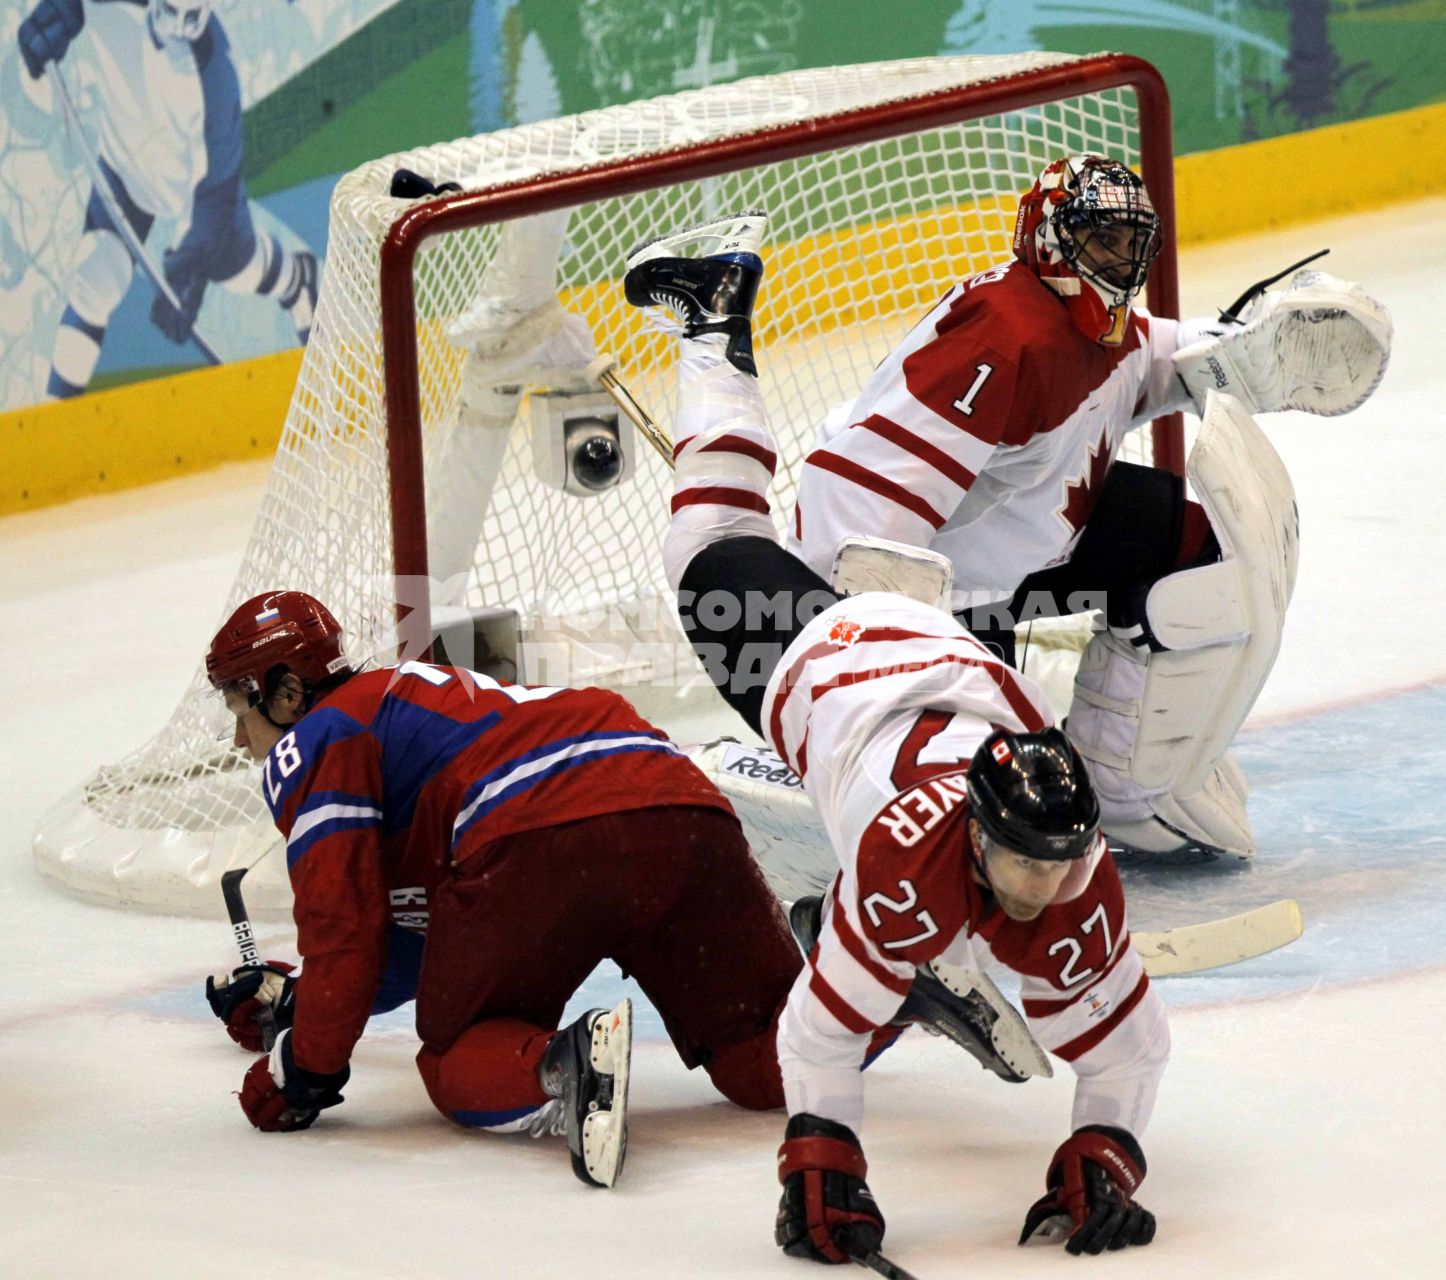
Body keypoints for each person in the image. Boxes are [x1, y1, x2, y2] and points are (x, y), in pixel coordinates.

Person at [623, 212, 1171, 1262]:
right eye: (1020, 860)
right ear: (970, 832)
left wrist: (1108, 1145)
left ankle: (712, 326)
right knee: (712, 542)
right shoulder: (902, 859)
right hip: (833, 660)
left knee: (730, 543)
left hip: (952, 646)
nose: (1039, 882)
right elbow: (817, 1029)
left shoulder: (1071, 869)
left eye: (1054, 863)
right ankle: (709, 318)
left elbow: (1133, 1046)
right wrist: (820, 1155)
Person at [201, 590, 995, 1186]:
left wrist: (298, 1071)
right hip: (681, 809)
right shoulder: (414, 707)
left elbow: (347, 933)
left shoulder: (316, 738)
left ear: (285, 690)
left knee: (451, 1059)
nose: (242, 739)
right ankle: (893, 985)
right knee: (763, 1064)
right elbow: (408, 952)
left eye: (242, 705)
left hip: (541, 833)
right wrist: (296, 1007)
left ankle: (565, 1065)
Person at [774, 154, 1389, 859]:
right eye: (1104, 239)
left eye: (1134, 242)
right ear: (1049, 238)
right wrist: (874, 645)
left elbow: (1153, 357)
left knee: (1190, 541)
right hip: (952, 593)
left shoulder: (1098, 323)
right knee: (989, 805)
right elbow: (858, 493)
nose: (1123, 260)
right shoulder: (1002, 336)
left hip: (1029, 551)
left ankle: (1122, 773)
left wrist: (1245, 352)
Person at [17, 0, 317, 396]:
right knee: (94, 278)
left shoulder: (215, 75)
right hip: (124, 174)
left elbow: (217, 192)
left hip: (193, 197)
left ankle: (297, 279)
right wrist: (55, 16)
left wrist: (191, 269)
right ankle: (54, 420)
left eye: (191, 19)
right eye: (169, 13)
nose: (176, 29)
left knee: (236, 270)